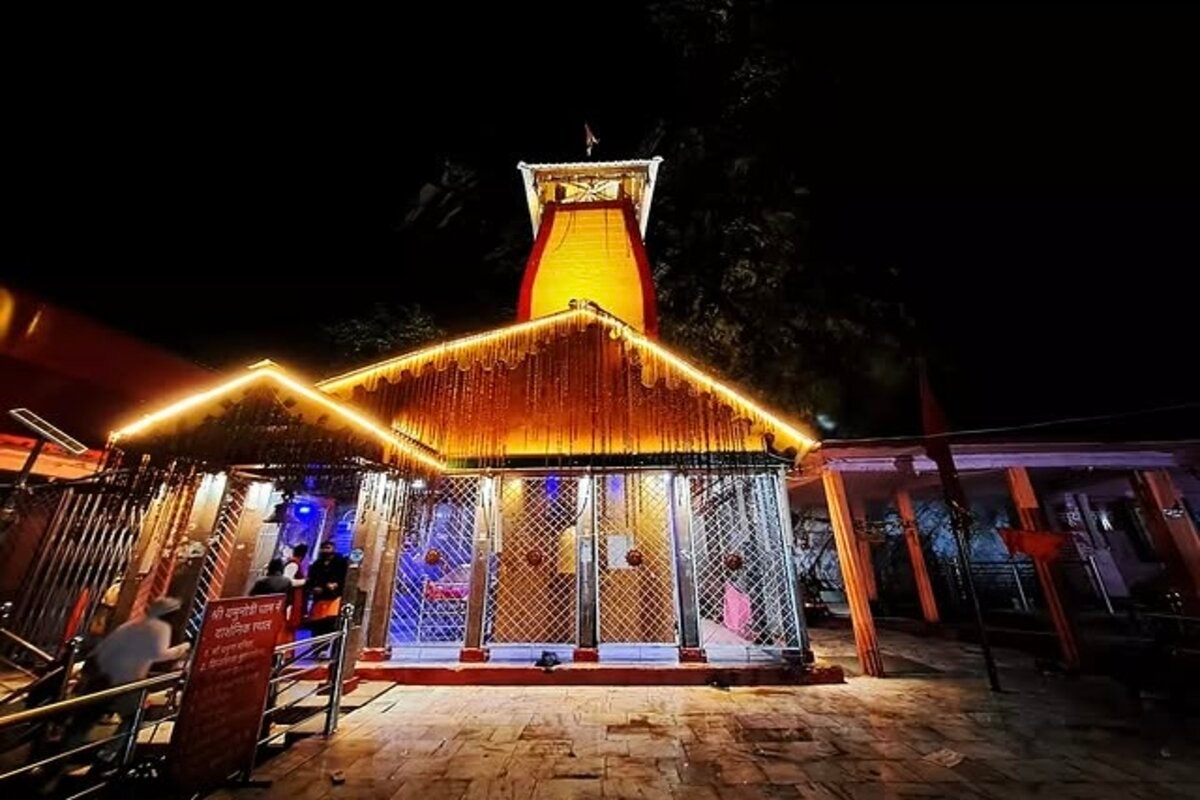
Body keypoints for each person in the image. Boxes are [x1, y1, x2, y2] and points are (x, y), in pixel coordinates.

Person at [305, 540, 348, 636]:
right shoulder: (317, 564)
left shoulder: (341, 562)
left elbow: (344, 578)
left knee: (330, 624)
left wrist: (336, 585)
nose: (325, 550)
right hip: (319, 599)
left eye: (328, 548)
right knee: (317, 625)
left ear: (333, 549)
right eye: (323, 548)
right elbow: (311, 579)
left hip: (334, 598)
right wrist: (314, 588)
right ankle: (317, 647)